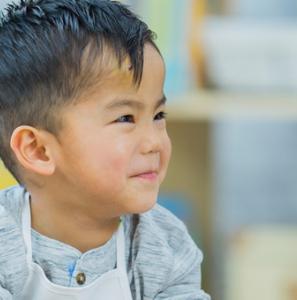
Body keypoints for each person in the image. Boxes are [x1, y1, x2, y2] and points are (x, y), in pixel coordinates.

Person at [0, 0, 210, 299]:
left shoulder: (166, 244)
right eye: (125, 118)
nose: (154, 142)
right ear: (38, 150)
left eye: (158, 116)